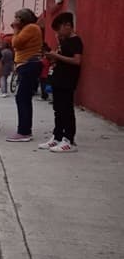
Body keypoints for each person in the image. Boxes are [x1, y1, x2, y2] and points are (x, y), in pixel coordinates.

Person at [39, 12, 83, 153]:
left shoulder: (76, 41)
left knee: (67, 110)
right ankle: (57, 136)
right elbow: (60, 59)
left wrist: (56, 55)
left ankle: (69, 140)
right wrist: (51, 56)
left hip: (68, 81)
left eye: (59, 29)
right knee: (58, 110)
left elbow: (77, 60)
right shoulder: (63, 41)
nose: (58, 33)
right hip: (58, 78)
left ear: (68, 25)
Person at [6, 8, 43, 142]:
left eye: (16, 18)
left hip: (29, 65)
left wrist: (16, 29)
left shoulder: (31, 28)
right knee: (23, 98)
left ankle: (24, 131)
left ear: (22, 19)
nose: (14, 21)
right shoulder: (30, 29)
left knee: (22, 99)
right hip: (27, 66)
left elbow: (16, 43)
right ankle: (24, 130)